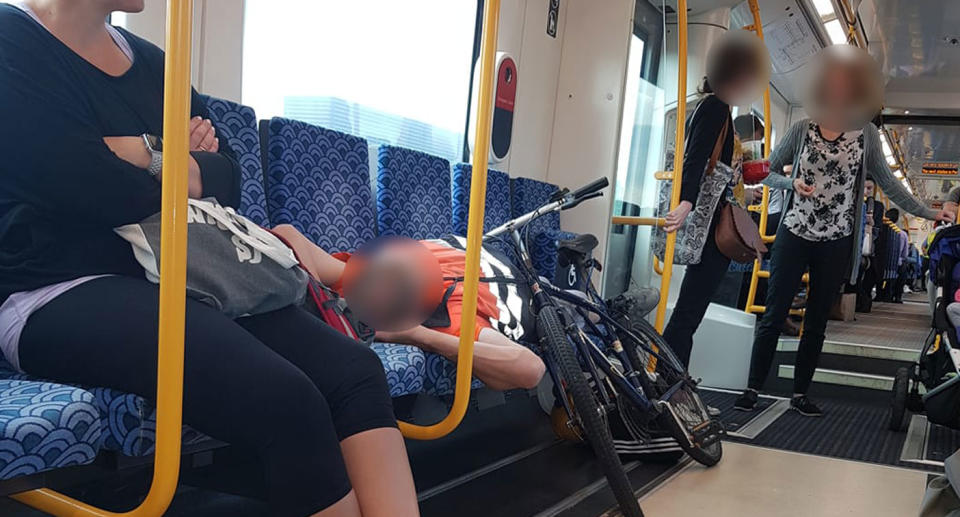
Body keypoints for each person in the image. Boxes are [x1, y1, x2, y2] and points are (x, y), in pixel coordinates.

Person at [0, 2, 418, 516]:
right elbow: (79, 182)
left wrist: (140, 152)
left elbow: (227, 182)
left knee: (356, 372)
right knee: (287, 402)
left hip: (187, 278)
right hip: (55, 288)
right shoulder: (10, 38)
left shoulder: (157, 66)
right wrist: (178, 162)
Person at [733, 45, 955, 417]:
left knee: (817, 319)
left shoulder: (866, 135)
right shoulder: (802, 129)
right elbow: (765, 170)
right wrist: (792, 186)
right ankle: (753, 387)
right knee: (774, 313)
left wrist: (930, 211)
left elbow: (892, 185)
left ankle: (800, 394)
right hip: (795, 231)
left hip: (837, 239)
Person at [272, 227, 547, 391]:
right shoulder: (452, 316)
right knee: (572, 305)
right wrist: (424, 337)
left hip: (508, 265)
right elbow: (287, 234)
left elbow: (531, 370)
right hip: (532, 302)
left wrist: (419, 336)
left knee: (581, 305)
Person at [661, 31, 769, 369]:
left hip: (713, 220)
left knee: (689, 311)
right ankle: (669, 382)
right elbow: (695, 159)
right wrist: (686, 201)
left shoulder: (719, 110)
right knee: (688, 312)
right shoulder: (715, 108)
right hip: (709, 226)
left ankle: (671, 380)